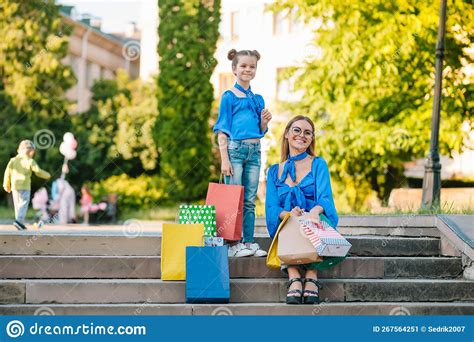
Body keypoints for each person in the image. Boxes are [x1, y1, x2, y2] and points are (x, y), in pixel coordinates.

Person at [265, 115, 339, 305]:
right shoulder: (274, 171)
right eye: (297, 130)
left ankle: (312, 273)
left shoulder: (318, 164)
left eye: (308, 133)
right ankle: (293, 274)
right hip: (288, 224)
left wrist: (313, 212)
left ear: (312, 139)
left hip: (314, 222)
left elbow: (325, 198)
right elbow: (272, 207)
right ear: (287, 135)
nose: (302, 135)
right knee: (285, 223)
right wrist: (288, 214)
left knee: (318, 218)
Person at [213, 49, 272, 258]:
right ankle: (233, 243)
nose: (248, 69)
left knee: (249, 200)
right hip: (235, 151)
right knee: (234, 199)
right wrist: (224, 159)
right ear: (234, 69)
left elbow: (261, 131)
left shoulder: (258, 99)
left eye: (252, 66)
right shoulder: (229, 97)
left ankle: (248, 241)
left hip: (254, 152)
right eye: (244, 66)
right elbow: (222, 129)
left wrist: (264, 122)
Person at [3, 140, 51, 230]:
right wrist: (47, 175)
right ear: (31, 152)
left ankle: (19, 223)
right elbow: (38, 171)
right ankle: (18, 221)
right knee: (23, 204)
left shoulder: (13, 160)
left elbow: (7, 172)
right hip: (25, 186)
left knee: (18, 205)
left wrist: (6, 184)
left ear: (18, 150)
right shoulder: (30, 161)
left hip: (15, 186)